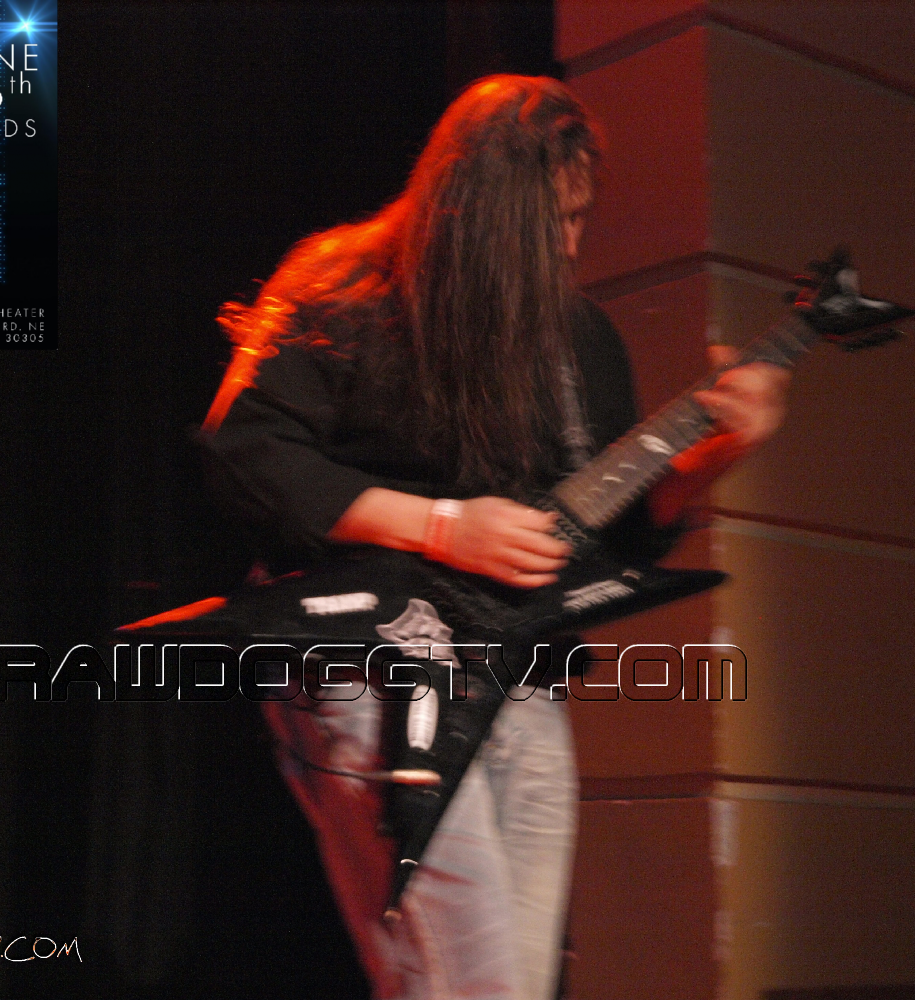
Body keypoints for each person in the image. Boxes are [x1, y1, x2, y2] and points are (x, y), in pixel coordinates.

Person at [201, 75, 787, 1000]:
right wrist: (442, 528)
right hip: (367, 668)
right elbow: (248, 453)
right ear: (472, 211)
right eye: (548, 222)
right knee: (466, 985)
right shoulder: (341, 284)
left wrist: (717, 455)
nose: (568, 247)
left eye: (578, 219)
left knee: (512, 984)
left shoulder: (578, 339)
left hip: (519, 678)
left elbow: (613, 541)